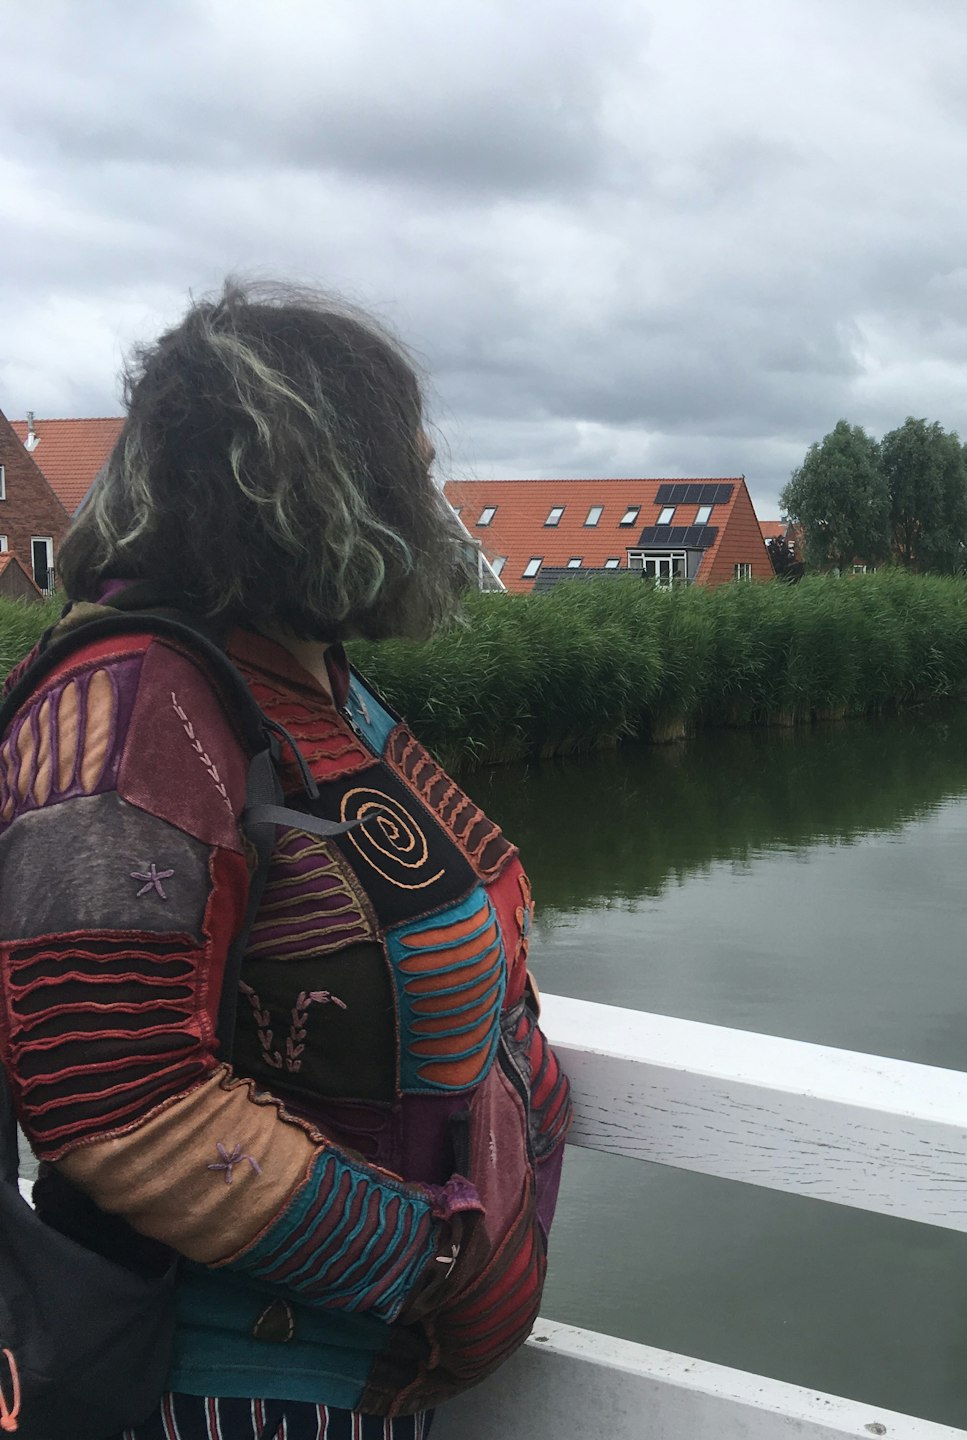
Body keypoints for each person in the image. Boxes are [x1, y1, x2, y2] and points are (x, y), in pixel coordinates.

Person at [0, 282, 570, 1437]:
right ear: (315, 484)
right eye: (406, 464)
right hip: (229, 1383)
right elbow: (115, 1097)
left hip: (362, 1371)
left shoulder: (308, 675)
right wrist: (433, 1265)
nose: (430, 488)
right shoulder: (134, 709)